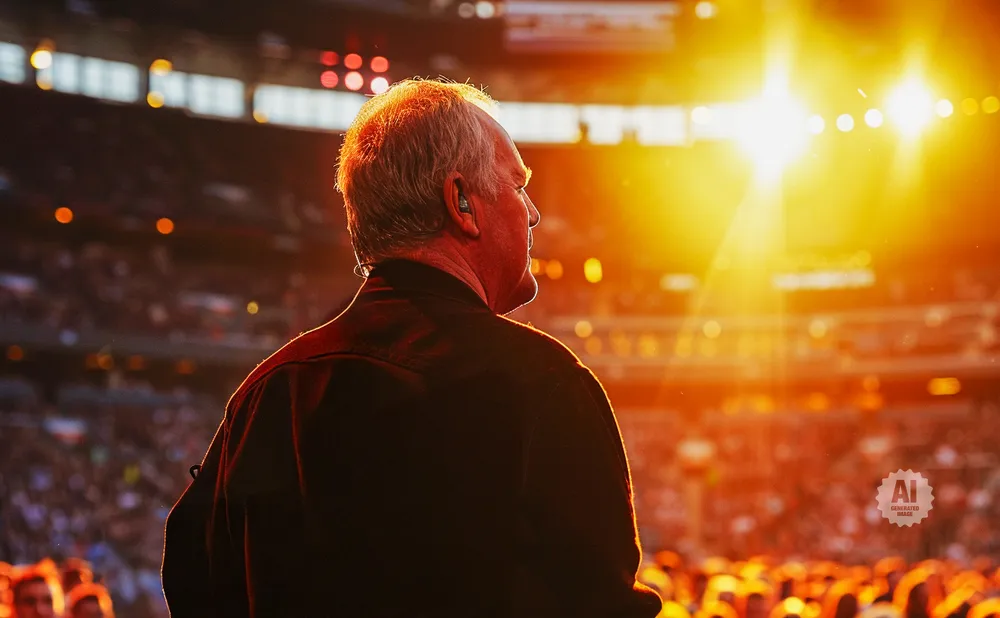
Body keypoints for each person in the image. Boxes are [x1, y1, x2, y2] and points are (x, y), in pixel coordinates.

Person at [162, 79, 661, 617]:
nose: (533, 213)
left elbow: (198, 581)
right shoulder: (542, 386)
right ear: (462, 202)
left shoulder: (267, 396)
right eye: (518, 187)